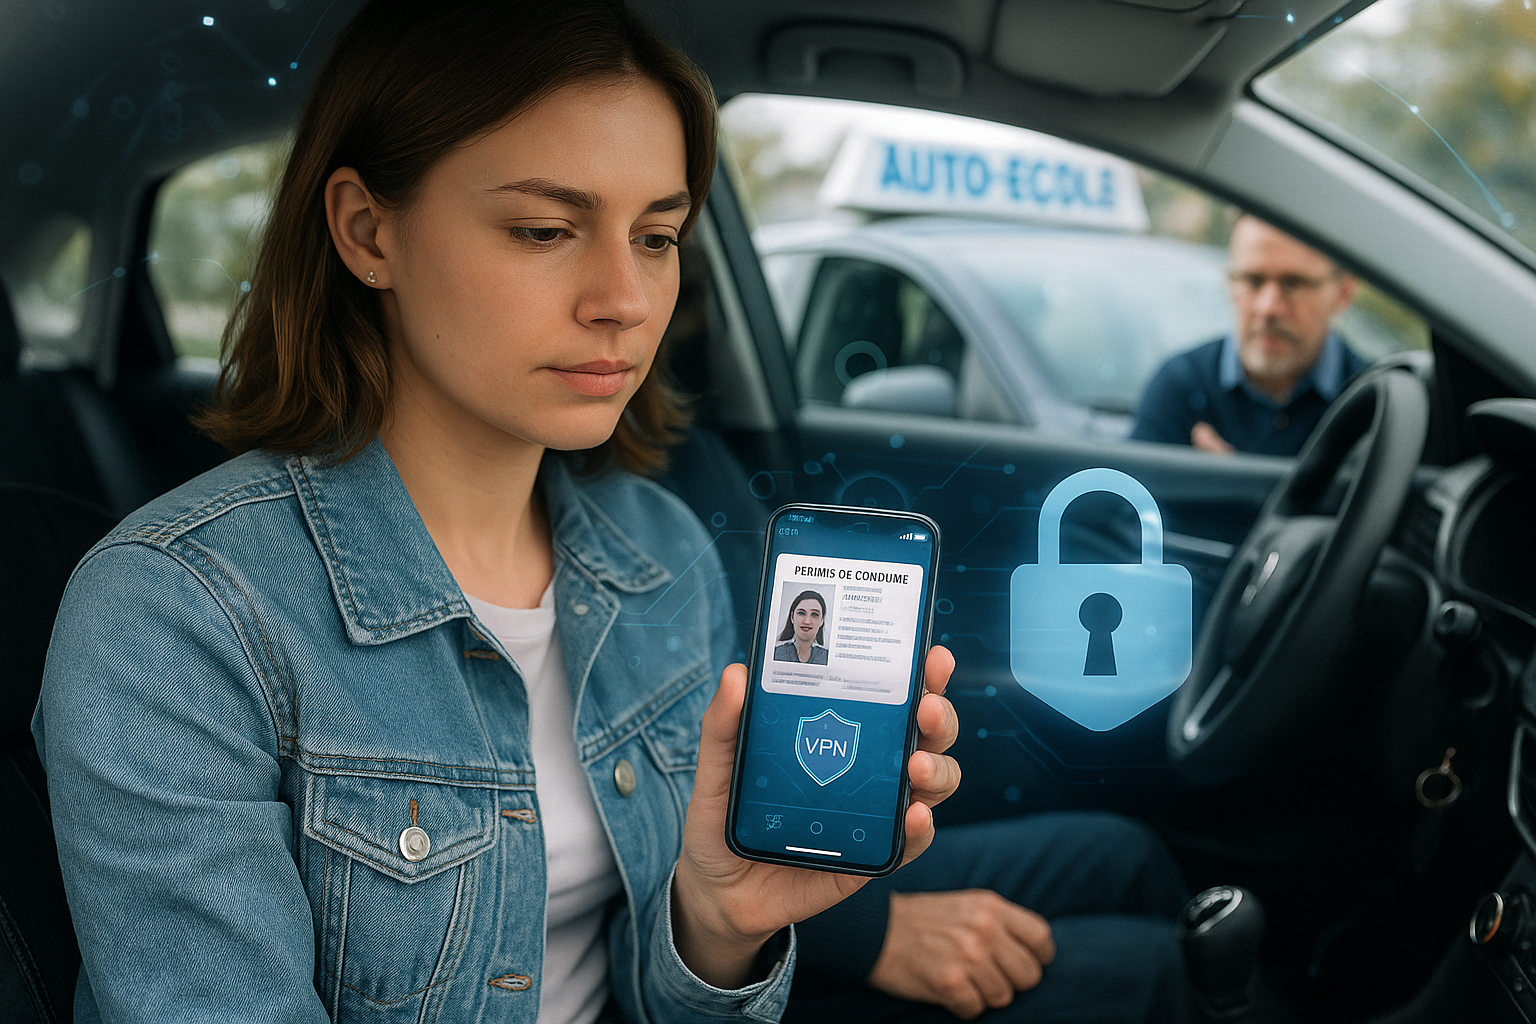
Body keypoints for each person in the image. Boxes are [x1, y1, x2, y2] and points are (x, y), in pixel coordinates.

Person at [31, 3, 962, 1022]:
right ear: (367, 230)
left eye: (656, 236)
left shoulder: (660, 552)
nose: (625, 298)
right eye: (545, 230)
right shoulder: (174, 617)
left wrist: (719, 924)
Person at [1131, 215, 1369, 456]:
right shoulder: (1180, 387)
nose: (1268, 308)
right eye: (1253, 281)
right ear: (1229, 283)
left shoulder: (1374, 401)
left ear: (1344, 292)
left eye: (1294, 283)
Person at [773, 590, 830, 665]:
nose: (807, 621)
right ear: (792, 617)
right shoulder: (775, 653)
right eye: (801, 613)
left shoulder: (828, 658)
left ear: (822, 621)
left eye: (814, 614)